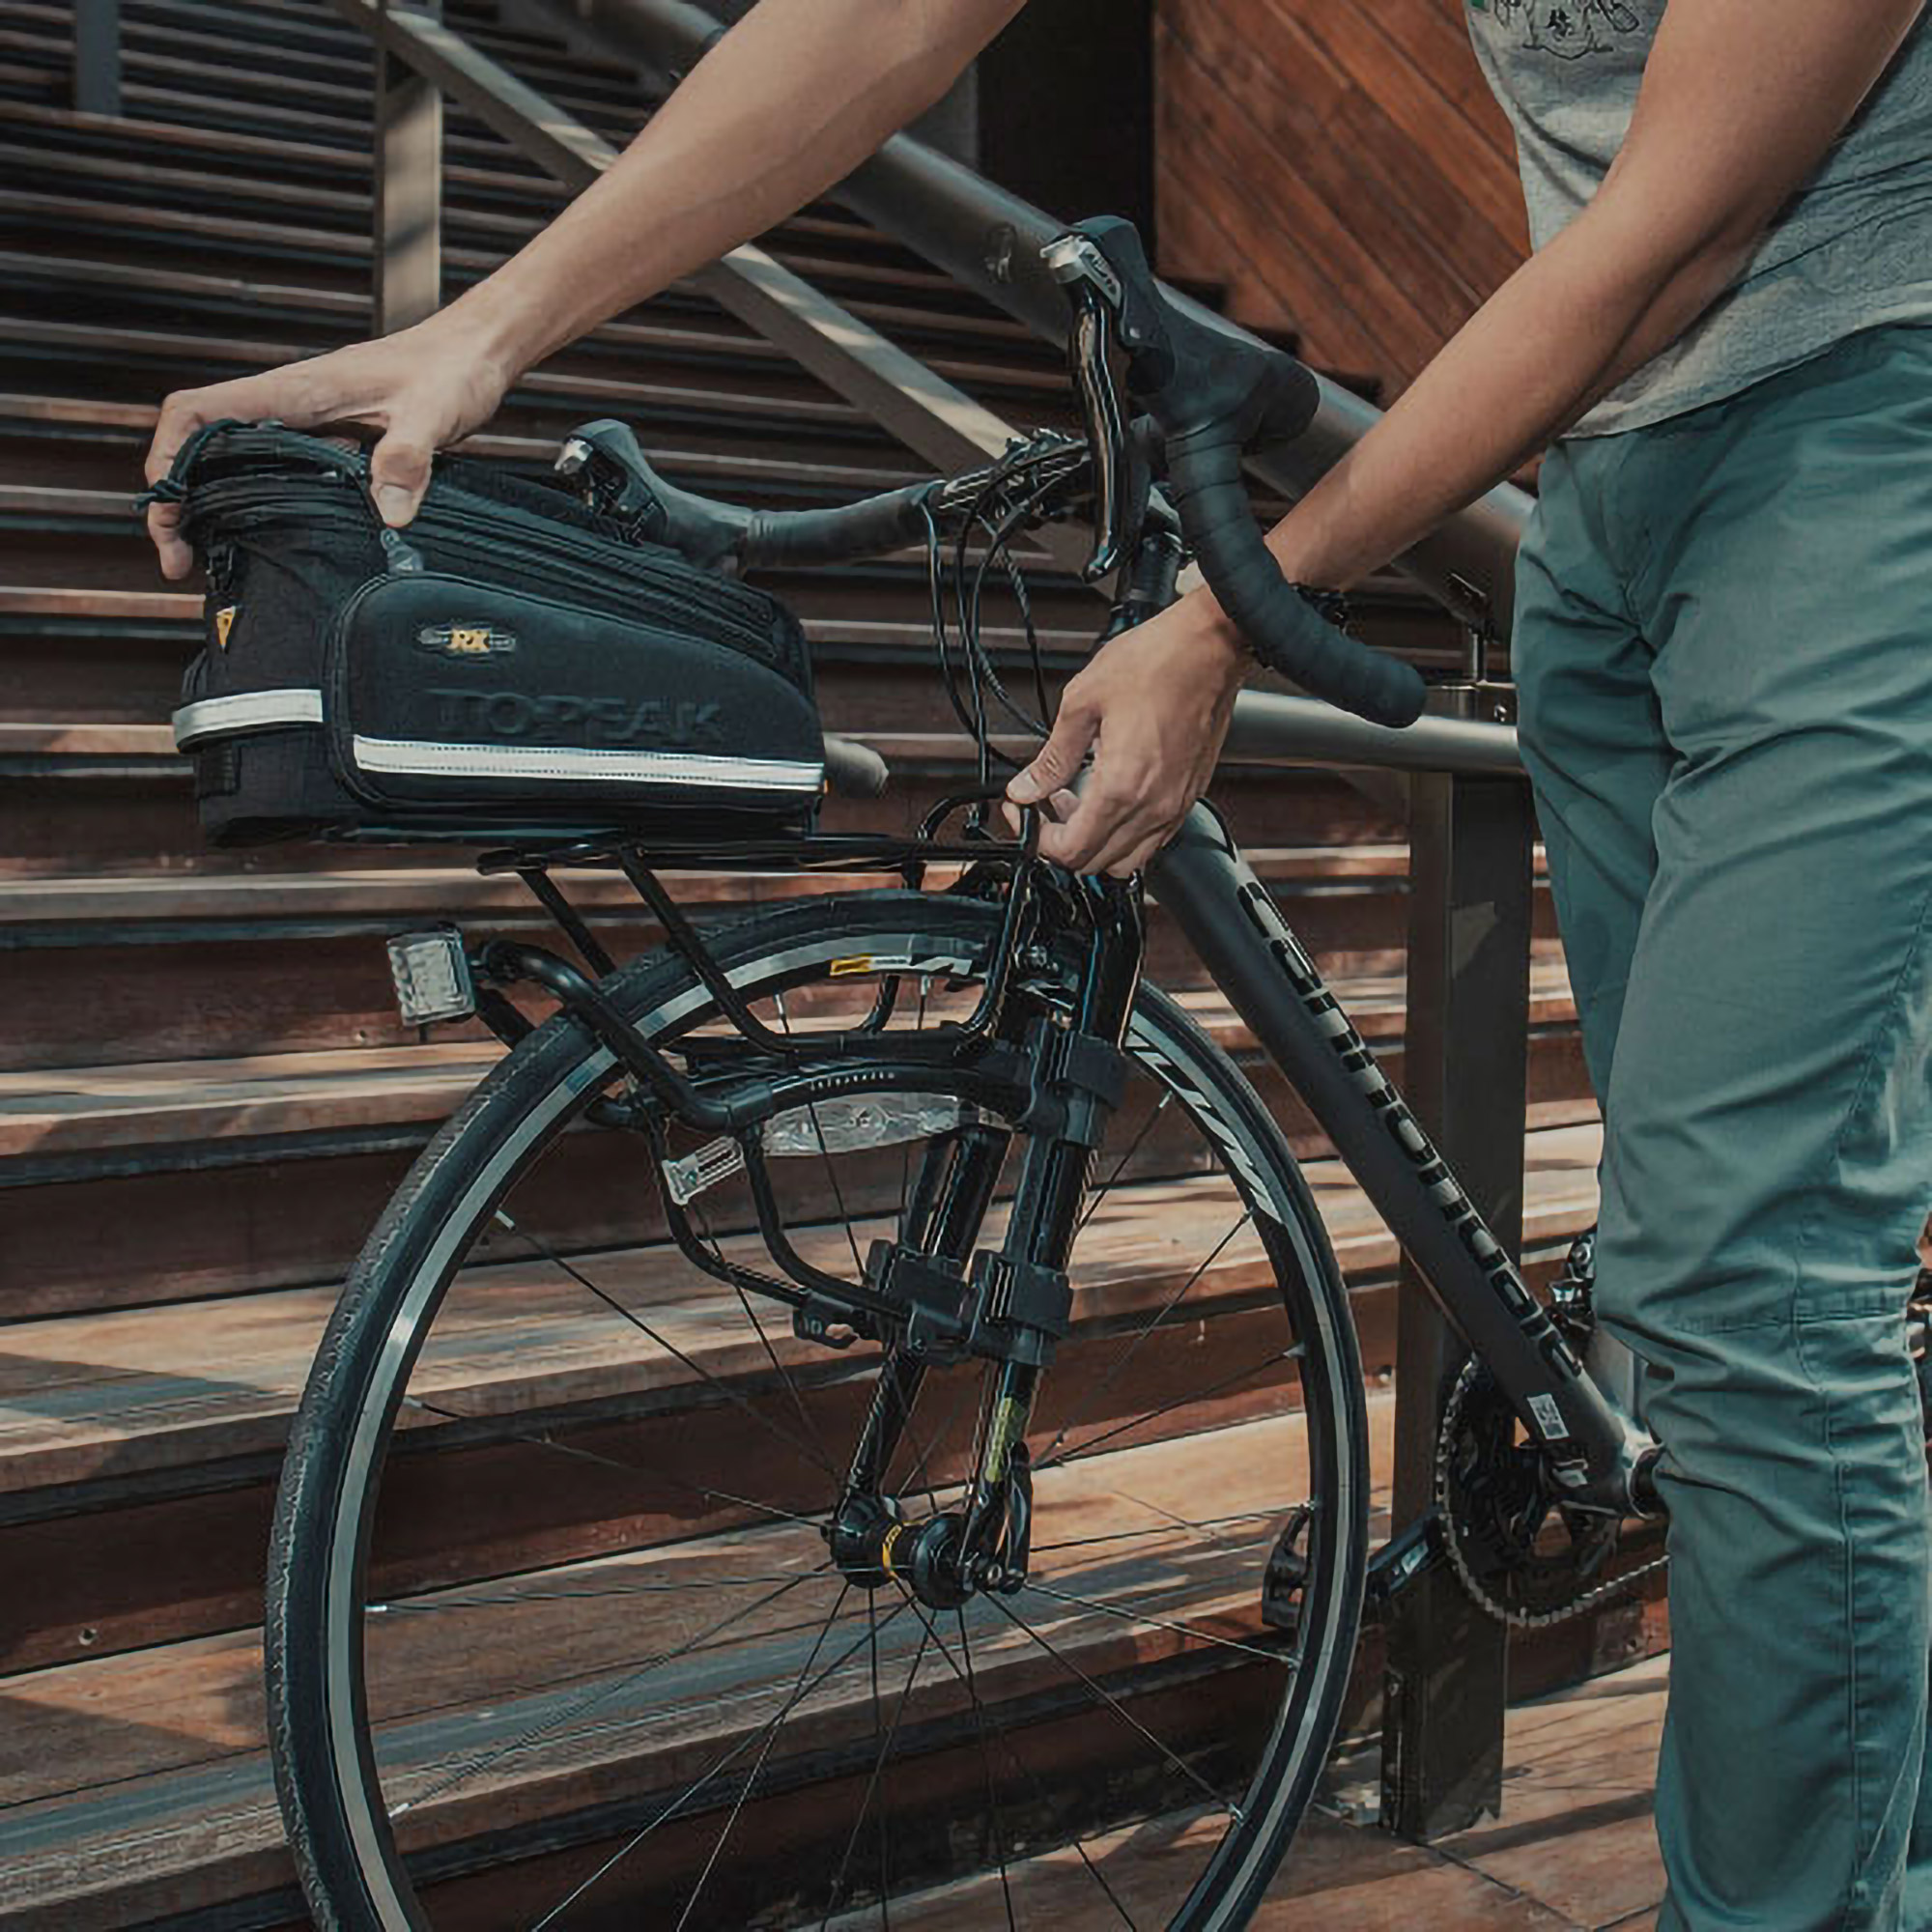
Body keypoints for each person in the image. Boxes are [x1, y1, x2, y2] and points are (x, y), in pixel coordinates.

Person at [144, 2, 1932, 1921]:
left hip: (1866, 435)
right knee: (1739, 1278)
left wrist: (1238, 614)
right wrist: (478, 329)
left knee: (1744, 1274)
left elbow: (1678, 226)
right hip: (1610, 485)